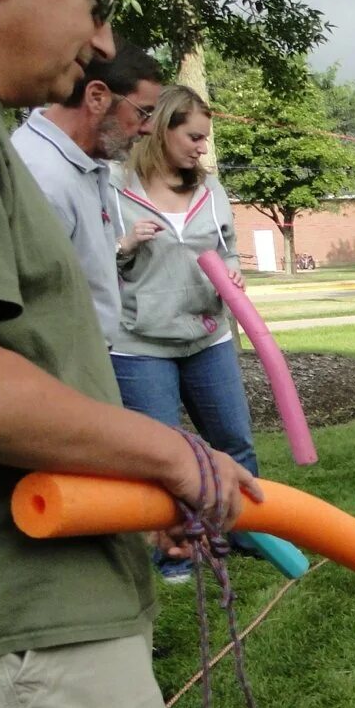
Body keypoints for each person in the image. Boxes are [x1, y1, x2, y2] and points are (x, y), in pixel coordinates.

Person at [0, 0, 256, 708]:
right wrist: (175, 458)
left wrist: (123, 499)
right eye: (95, 1)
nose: (101, 38)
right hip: (27, 640)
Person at [109, 83, 259, 581]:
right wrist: (125, 245)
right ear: (162, 128)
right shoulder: (113, 184)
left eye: (205, 138)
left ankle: (248, 531)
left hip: (208, 335)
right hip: (140, 343)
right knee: (162, 455)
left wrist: (234, 271)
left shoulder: (209, 189)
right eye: (194, 136)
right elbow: (91, 263)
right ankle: (172, 554)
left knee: (233, 441)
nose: (202, 147)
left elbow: (229, 246)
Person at [11, 37, 162, 344]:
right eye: (143, 113)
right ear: (96, 97)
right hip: (56, 366)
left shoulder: (84, 164)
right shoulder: (41, 174)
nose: (147, 129)